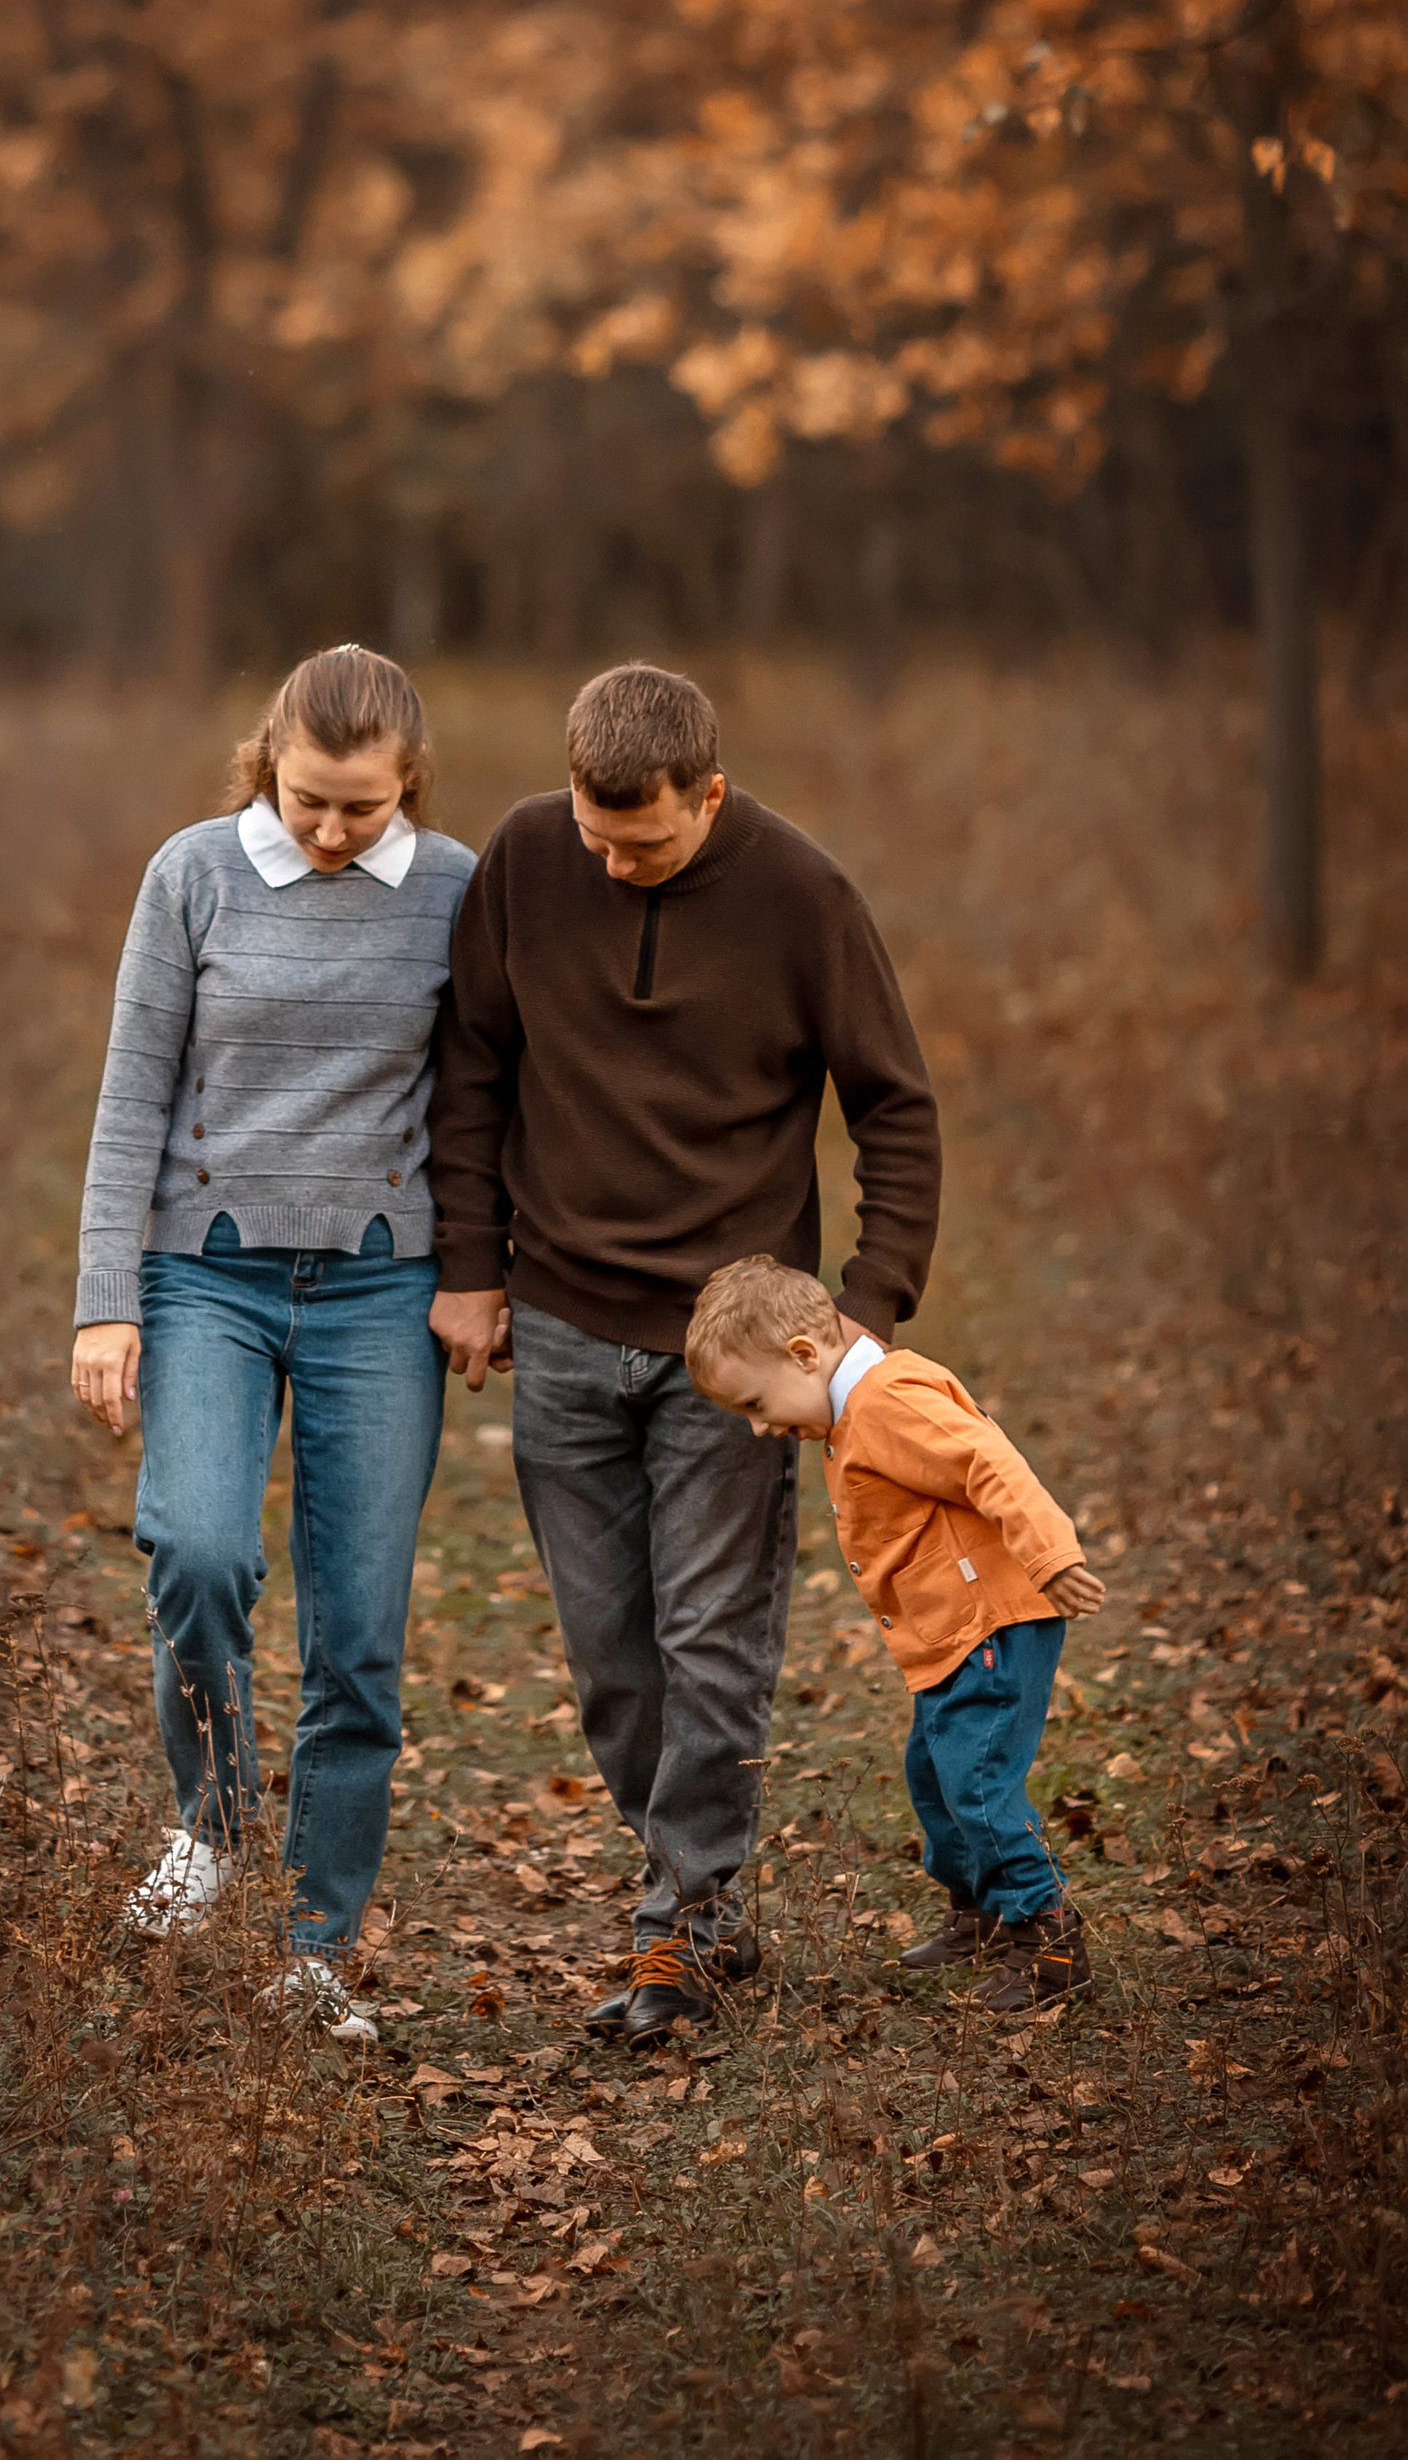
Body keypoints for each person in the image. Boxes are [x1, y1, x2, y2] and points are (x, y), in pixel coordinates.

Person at [427, 661, 941, 2047]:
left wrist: (865, 1315)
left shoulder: (804, 898)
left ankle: (685, 1927)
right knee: (613, 1659)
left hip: (737, 1354)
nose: (613, 860)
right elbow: (471, 1065)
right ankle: (696, 1897)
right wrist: (471, 1267)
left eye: (643, 841)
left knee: (714, 1640)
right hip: (567, 1325)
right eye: (598, 835)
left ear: (708, 794)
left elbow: (894, 1108)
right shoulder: (531, 858)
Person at [71, 644, 476, 2044]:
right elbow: (132, 1097)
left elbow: (485, 1106)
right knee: (196, 1548)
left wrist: (480, 1279)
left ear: (405, 782)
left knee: (358, 1635)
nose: (329, 829)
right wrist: (103, 1299)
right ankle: (214, 1824)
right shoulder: (192, 873)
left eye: (361, 806)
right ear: (269, 762)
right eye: (309, 798)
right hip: (206, 1277)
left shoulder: (456, 892)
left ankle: (313, 1944)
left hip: (380, 1290)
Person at [684, 1255, 1103, 2008]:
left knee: (975, 1783)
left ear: (804, 1356)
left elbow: (988, 1463)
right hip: (952, 1635)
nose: (758, 1427)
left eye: (755, 1401)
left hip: (992, 1626)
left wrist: (1053, 1556)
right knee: (935, 1776)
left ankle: (1048, 1941)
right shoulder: (856, 1409)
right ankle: (980, 1912)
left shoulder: (888, 1401)